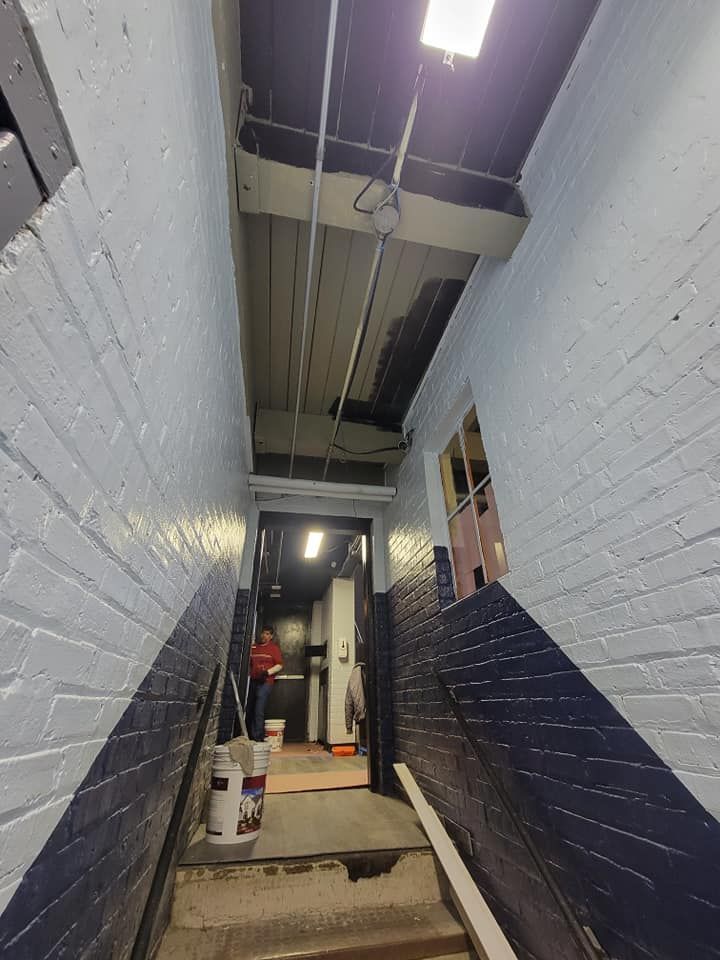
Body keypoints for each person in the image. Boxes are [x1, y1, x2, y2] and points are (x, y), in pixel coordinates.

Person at [247, 625, 283, 741]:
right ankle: (251, 736)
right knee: (250, 709)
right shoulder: (253, 647)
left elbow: (279, 665)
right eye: (263, 633)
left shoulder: (274, 648)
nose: (264, 636)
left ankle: (258, 737)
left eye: (268, 634)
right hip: (253, 681)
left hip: (266, 682)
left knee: (258, 709)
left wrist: (267, 672)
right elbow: (249, 664)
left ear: (271, 636)